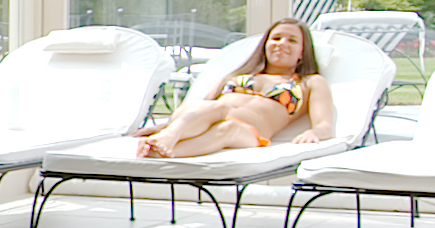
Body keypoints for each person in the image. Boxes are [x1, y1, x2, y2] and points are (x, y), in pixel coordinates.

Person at [131, 17, 337, 159]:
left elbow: (324, 125)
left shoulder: (310, 82)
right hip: (207, 117)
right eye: (276, 38)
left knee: (227, 128)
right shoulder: (236, 75)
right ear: (265, 45)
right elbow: (202, 106)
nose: (281, 44)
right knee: (218, 107)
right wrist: (165, 126)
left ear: (302, 52)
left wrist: (315, 133)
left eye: (292, 41)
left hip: (250, 133)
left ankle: (165, 145)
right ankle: (162, 145)